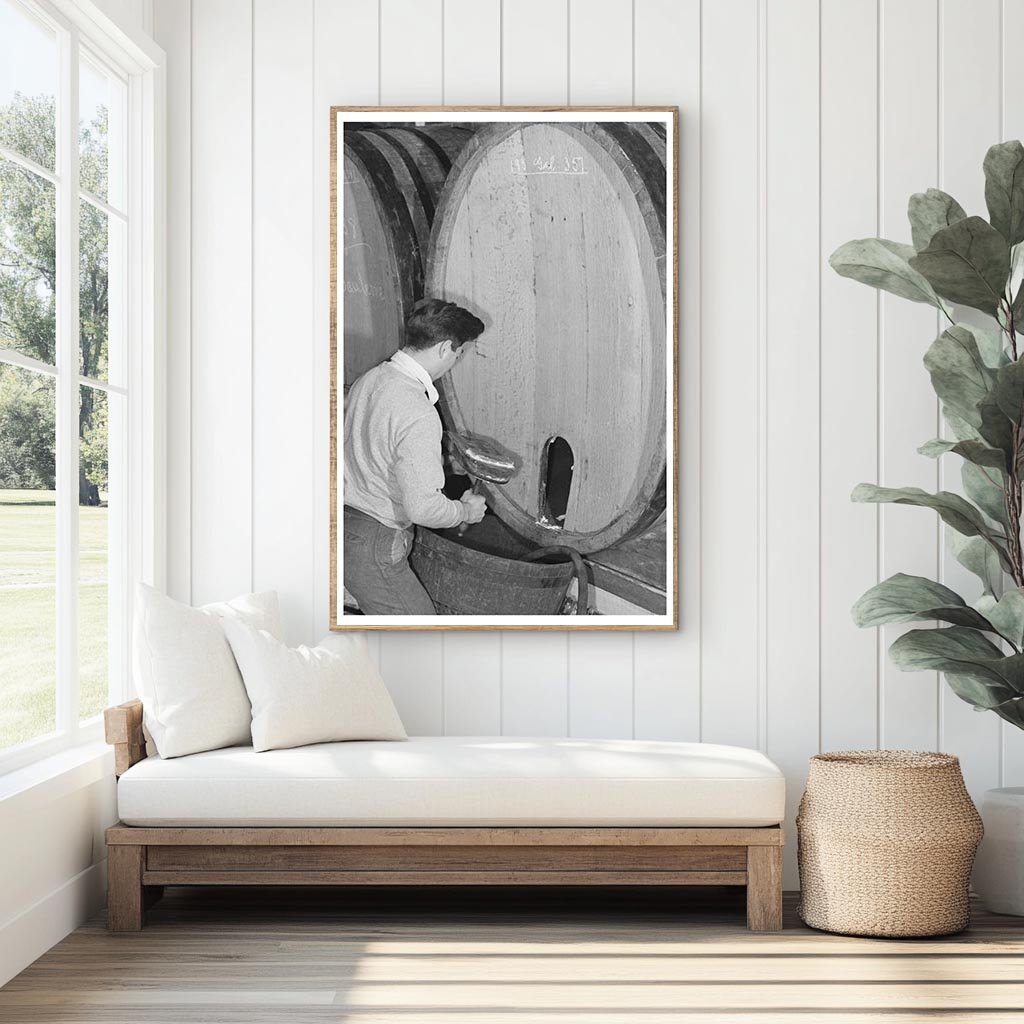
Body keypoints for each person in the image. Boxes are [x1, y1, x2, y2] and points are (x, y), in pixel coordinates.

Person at [342, 298, 487, 614]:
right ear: (444, 348)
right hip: (376, 540)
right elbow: (423, 509)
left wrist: (442, 462)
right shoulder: (419, 412)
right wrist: (465, 511)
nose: (455, 362)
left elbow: (376, 448)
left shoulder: (371, 379)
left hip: (343, 526)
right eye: (458, 354)